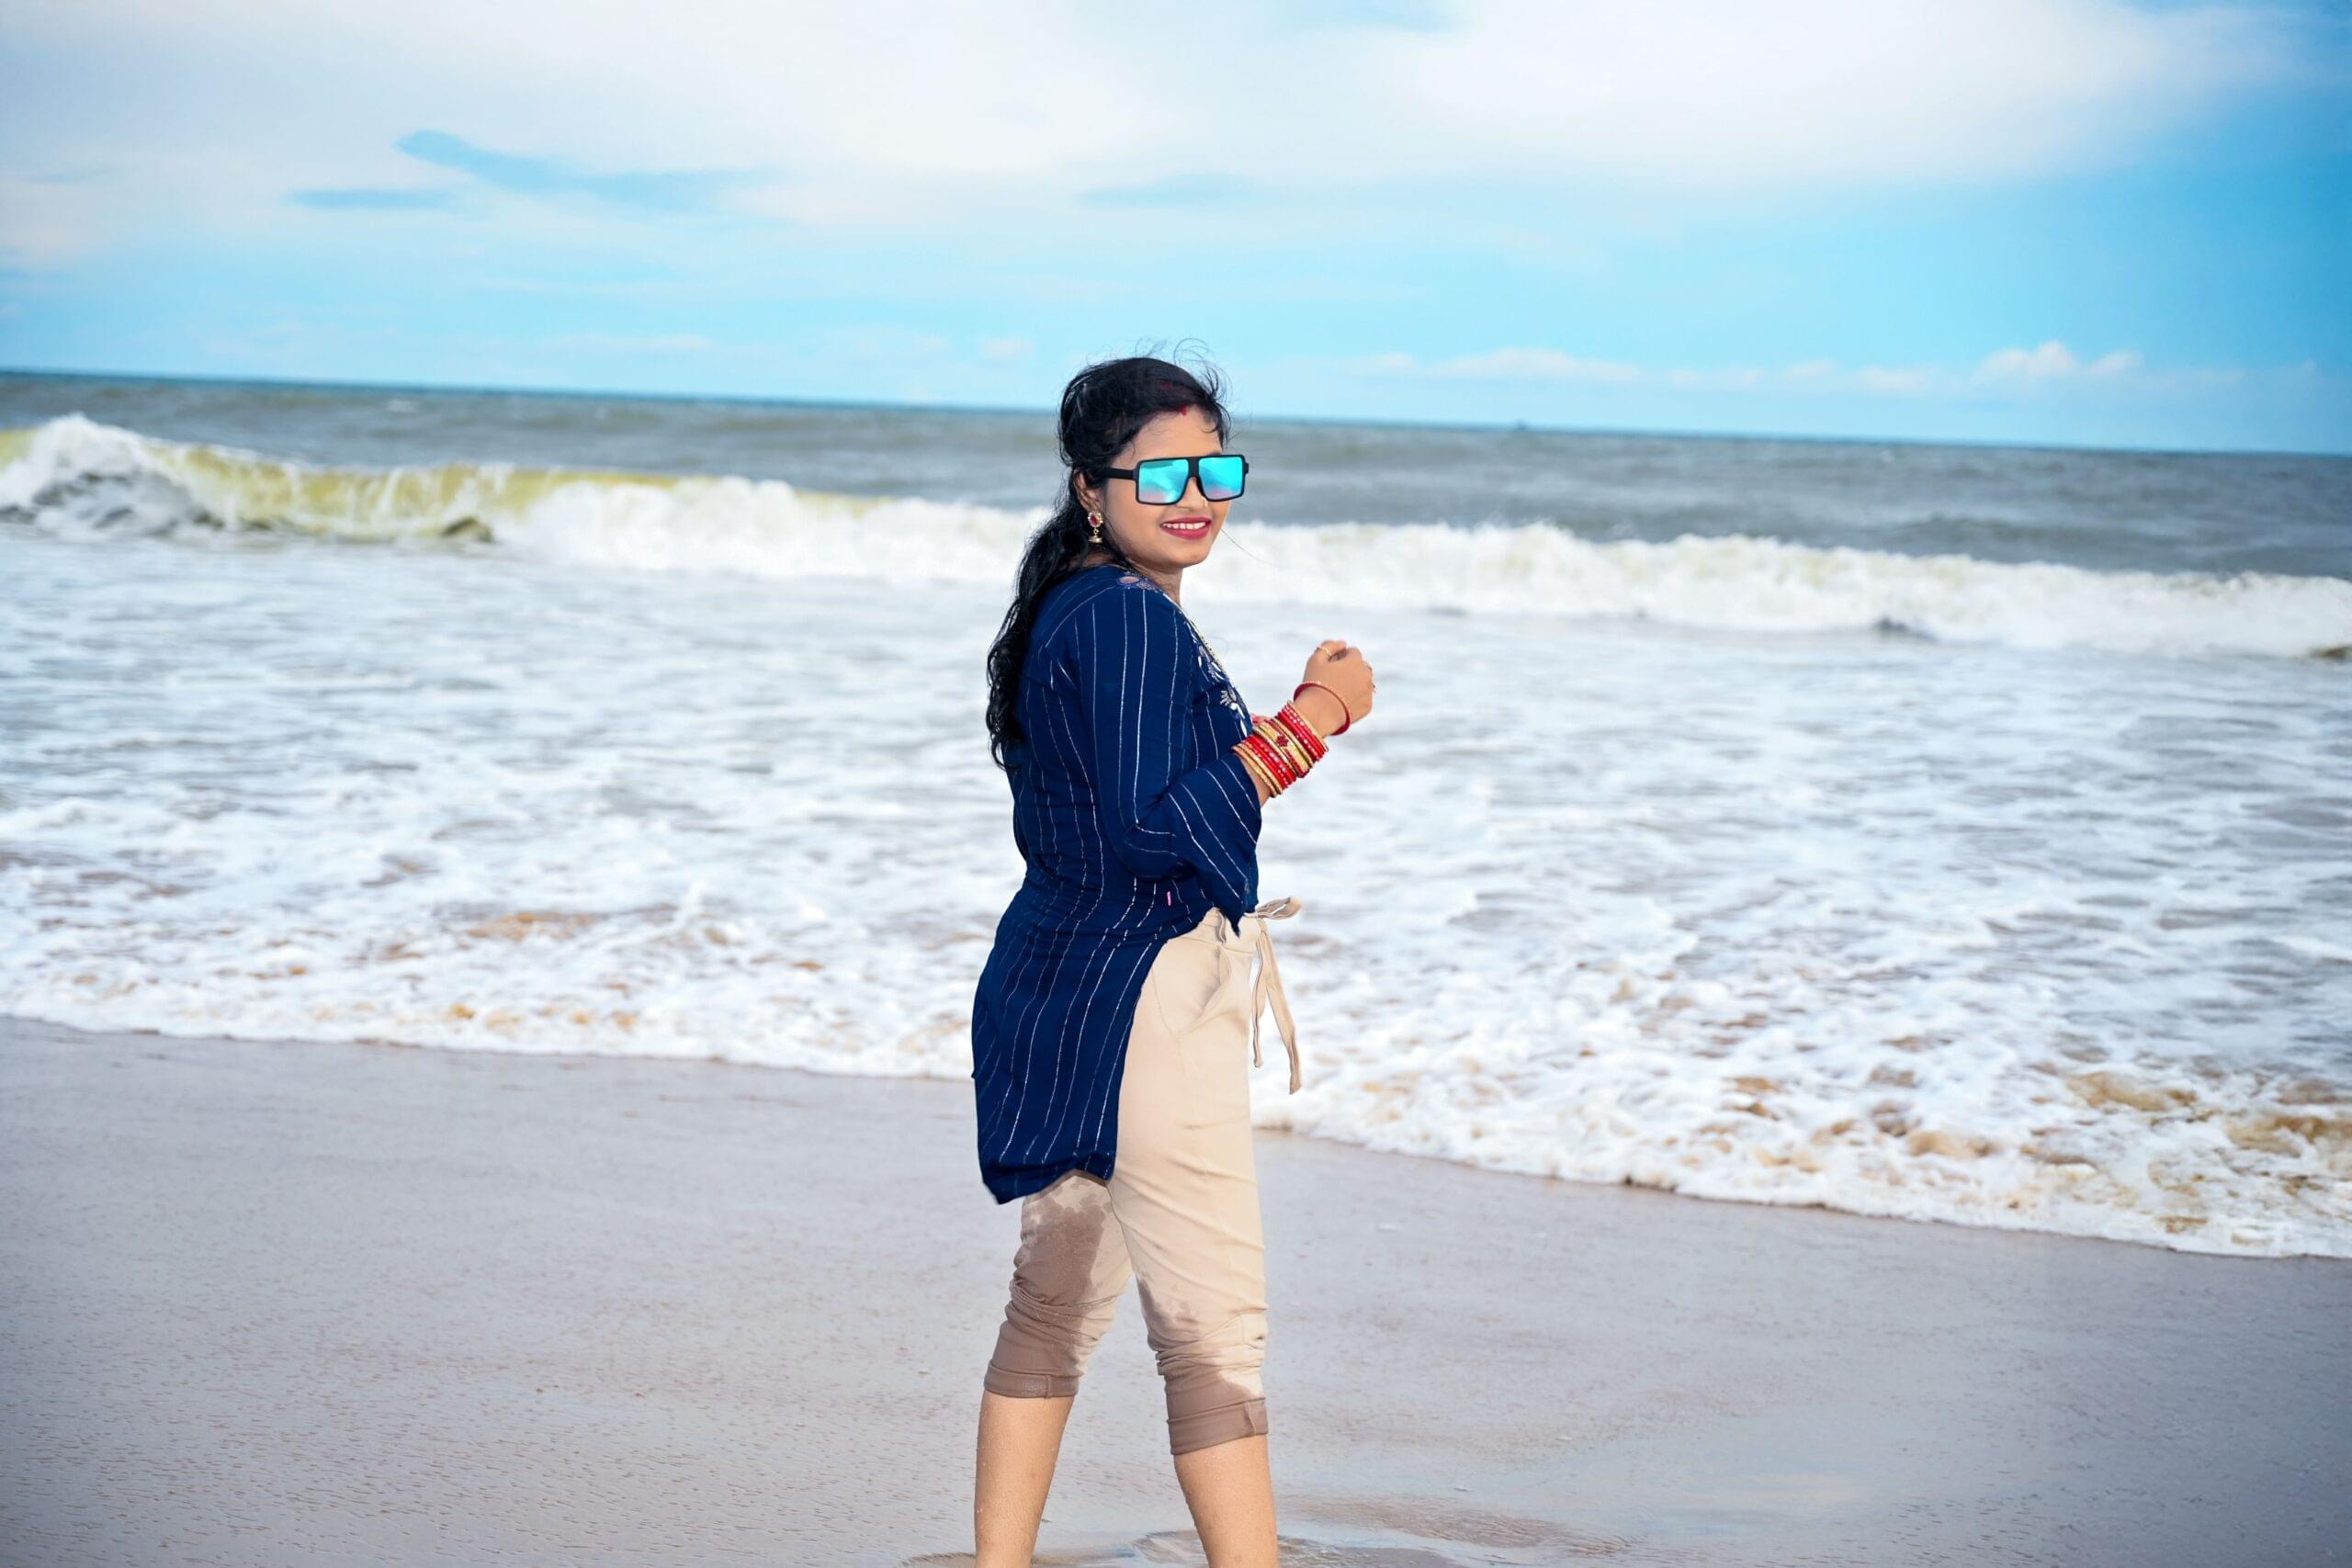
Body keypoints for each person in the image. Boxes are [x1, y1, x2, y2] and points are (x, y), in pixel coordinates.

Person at [968, 353, 1375, 1565]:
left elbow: (1114, 816)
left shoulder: (1076, 605)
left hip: (1062, 986)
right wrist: (1312, 722)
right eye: (1161, 474)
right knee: (1213, 1331)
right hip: (1143, 999)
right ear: (1090, 490)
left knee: (1054, 1303)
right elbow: (1155, 828)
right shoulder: (1130, 618)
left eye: (1216, 471)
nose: (1195, 497)